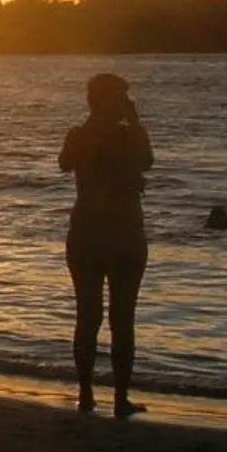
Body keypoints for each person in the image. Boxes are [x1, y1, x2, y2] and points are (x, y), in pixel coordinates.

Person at [58, 71, 154, 417]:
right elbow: (147, 160)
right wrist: (134, 120)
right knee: (122, 319)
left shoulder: (79, 136)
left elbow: (64, 163)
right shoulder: (128, 137)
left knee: (88, 316)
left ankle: (86, 394)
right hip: (123, 235)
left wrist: (95, 124)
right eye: (124, 98)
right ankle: (119, 398)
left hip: (86, 235)